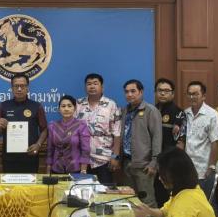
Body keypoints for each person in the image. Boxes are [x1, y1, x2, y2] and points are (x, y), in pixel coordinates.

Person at [132, 147, 218, 217]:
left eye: (162, 174)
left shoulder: (189, 197)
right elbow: (163, 213)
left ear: (174, 175)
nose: (160, 178)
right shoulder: (182, 192)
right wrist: (147, 210)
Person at [120, 79, 163, 207]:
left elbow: (157, 138)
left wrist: (154, 162)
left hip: (144, 165)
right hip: (127, 163)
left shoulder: (151, 111)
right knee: (129, 201)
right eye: (127, 92)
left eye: (133, 91)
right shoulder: (124, 111)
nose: (129, 94)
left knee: (148, 201)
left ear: (141, 92)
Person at [0, 74, 48, 173]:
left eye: (22, 86)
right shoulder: (4, 106)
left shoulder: (37, 106)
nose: (19, 89)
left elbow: (44, 129)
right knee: (9, 183)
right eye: (16, 86)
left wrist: (38, 144)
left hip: (30, 156)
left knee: (31, 183)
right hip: (9, 158)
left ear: (27, 88)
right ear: (12, 88)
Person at [75, 73, 121, 184]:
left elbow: (117, 133)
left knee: (104, 190)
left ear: (102, 87)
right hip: (82, 159)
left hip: (104, 159)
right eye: (89, 84)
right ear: (85, 87)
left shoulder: (111, 105)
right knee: (82, 190)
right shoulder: (78, 104)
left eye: (95, 83)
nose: (92, 86)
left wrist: (115, 156)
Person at [154, 78, 186, 206]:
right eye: (160, 90)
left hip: (169, 162)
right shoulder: (151, 110)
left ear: (173, 94)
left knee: (168, 197)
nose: (162, 93)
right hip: (152, 161)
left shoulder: (179, 113)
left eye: (166, 91)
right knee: (154, 194)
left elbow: (181, 141)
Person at [183, 81, 218, 180]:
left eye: (195, 94)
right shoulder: (184, 114)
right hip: (187, 168)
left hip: (204, 170)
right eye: (189, 94)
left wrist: (211, 166)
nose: (192, 97)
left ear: (203, 96)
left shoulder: (212, 115)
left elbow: (216, 142)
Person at [45, 95, 91, 174]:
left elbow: (85, 150)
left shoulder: (81, 125)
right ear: (59, 109)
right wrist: (48, 167)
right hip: (56, 169)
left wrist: (83, 170)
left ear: (75, 108)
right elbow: (50, 149)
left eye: (69, 106)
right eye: (63, 106)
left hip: (76, 169)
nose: (66, 109)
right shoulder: (53, 126)